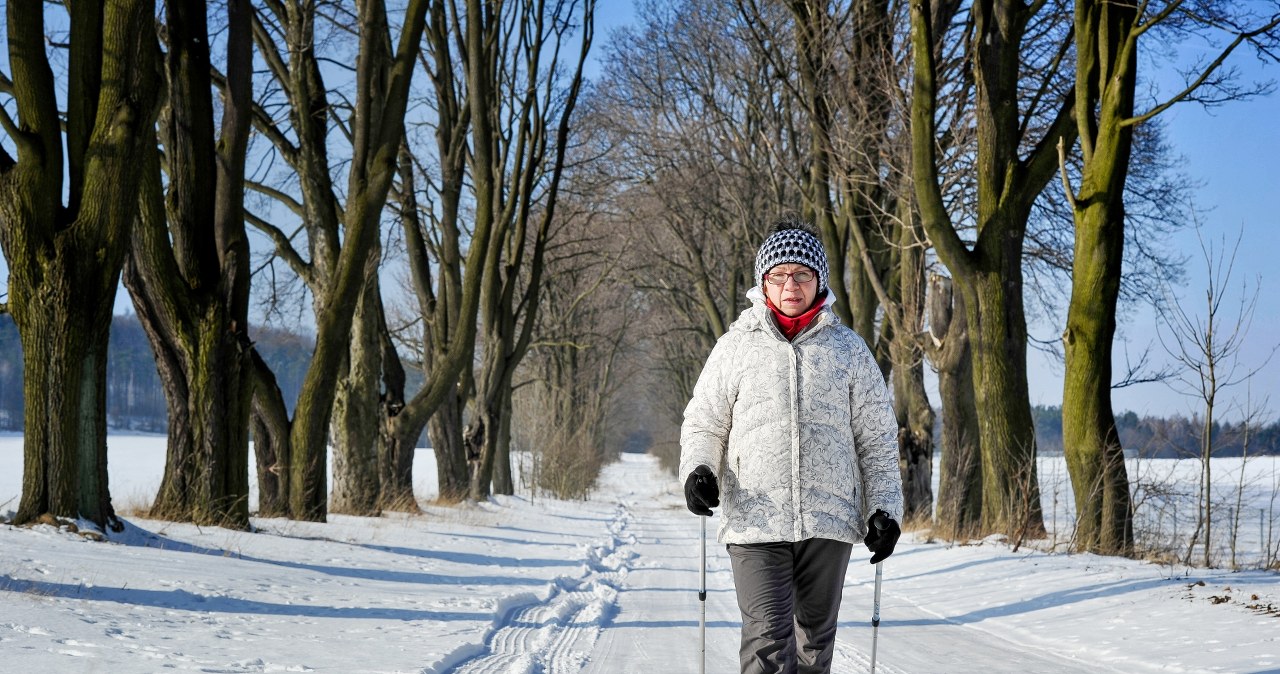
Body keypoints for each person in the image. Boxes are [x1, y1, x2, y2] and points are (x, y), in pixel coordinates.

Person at [679, 217, 903, 674]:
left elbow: (877, 439)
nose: (791, 284)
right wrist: (698, 469)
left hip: (829, 518)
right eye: (779, 275)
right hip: (755, 519)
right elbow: (704, 420)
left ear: (819, 280)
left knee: (815, 644)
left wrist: (884, 508)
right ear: (763, 283)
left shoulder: (849, 350)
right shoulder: (735, 347)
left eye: (802, 274)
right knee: (766, 641)